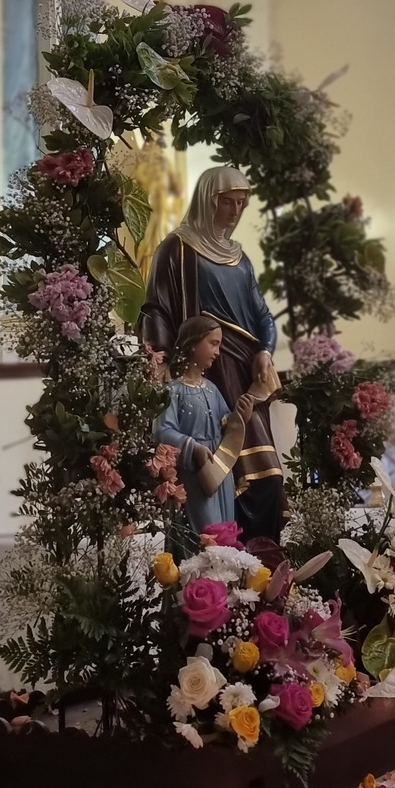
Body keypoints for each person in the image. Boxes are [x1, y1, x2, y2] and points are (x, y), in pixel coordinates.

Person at [141, 166, 284, 543]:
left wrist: (265, 350)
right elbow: (157, 309)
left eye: (241, 204)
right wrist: (158, 361)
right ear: (208, 201)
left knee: (267, 479)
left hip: (244, 374)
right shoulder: (177, 248)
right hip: (203, 372)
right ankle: (227, 562)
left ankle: (262, 565)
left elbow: (263, 315)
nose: (235, 212)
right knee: (219, 478)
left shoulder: (241, 260)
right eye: (227, 203)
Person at [153, 315, 254, 533]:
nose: (217, 352)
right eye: (213, 343)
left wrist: (240, 417)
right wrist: (194, 448)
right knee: (207, 531)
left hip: (219, 471)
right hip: (194, 474)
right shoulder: (173, 391)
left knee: (225, 528)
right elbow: (163, 430)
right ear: (193, 344)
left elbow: (225, 424)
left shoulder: (212, 389)